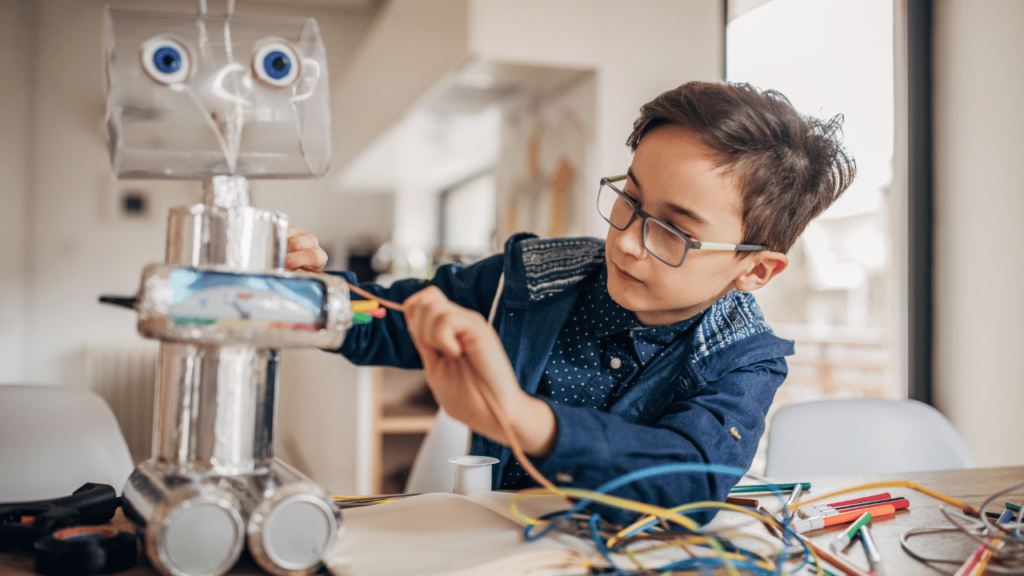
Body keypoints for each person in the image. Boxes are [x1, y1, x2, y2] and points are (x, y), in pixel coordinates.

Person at [286, 81, 855, 525]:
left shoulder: (744, 358)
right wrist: (316, 294)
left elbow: (690, 476)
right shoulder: (531, 278)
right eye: (629, 200)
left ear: (755, 269)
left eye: (673, 232)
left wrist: (522, 419)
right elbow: (387, 318)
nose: (627, 241)